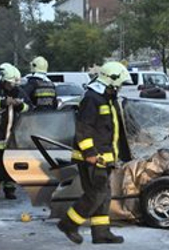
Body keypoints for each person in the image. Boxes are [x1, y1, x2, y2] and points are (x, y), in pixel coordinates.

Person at [57, 62, 130, 245]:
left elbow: (109, 131)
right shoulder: (92, 98)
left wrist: (117, 156)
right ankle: (68, 223)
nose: (120, 87)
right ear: (110, 80)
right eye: (118, 83)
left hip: (104, 158)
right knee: (95, 195)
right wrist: (90, 152)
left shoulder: (107, 98)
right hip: (92, 158)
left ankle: (101, 233)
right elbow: (84, 128)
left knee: (104, 195)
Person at [0, 63, 30, 201]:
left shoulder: (20, 92)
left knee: (10, 165)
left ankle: (10, 190)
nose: (12, 86)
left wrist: (19, 105)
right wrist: (2, 103)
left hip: (12, 137)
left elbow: (29, 107)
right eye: (10, 83)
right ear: (4, 80)